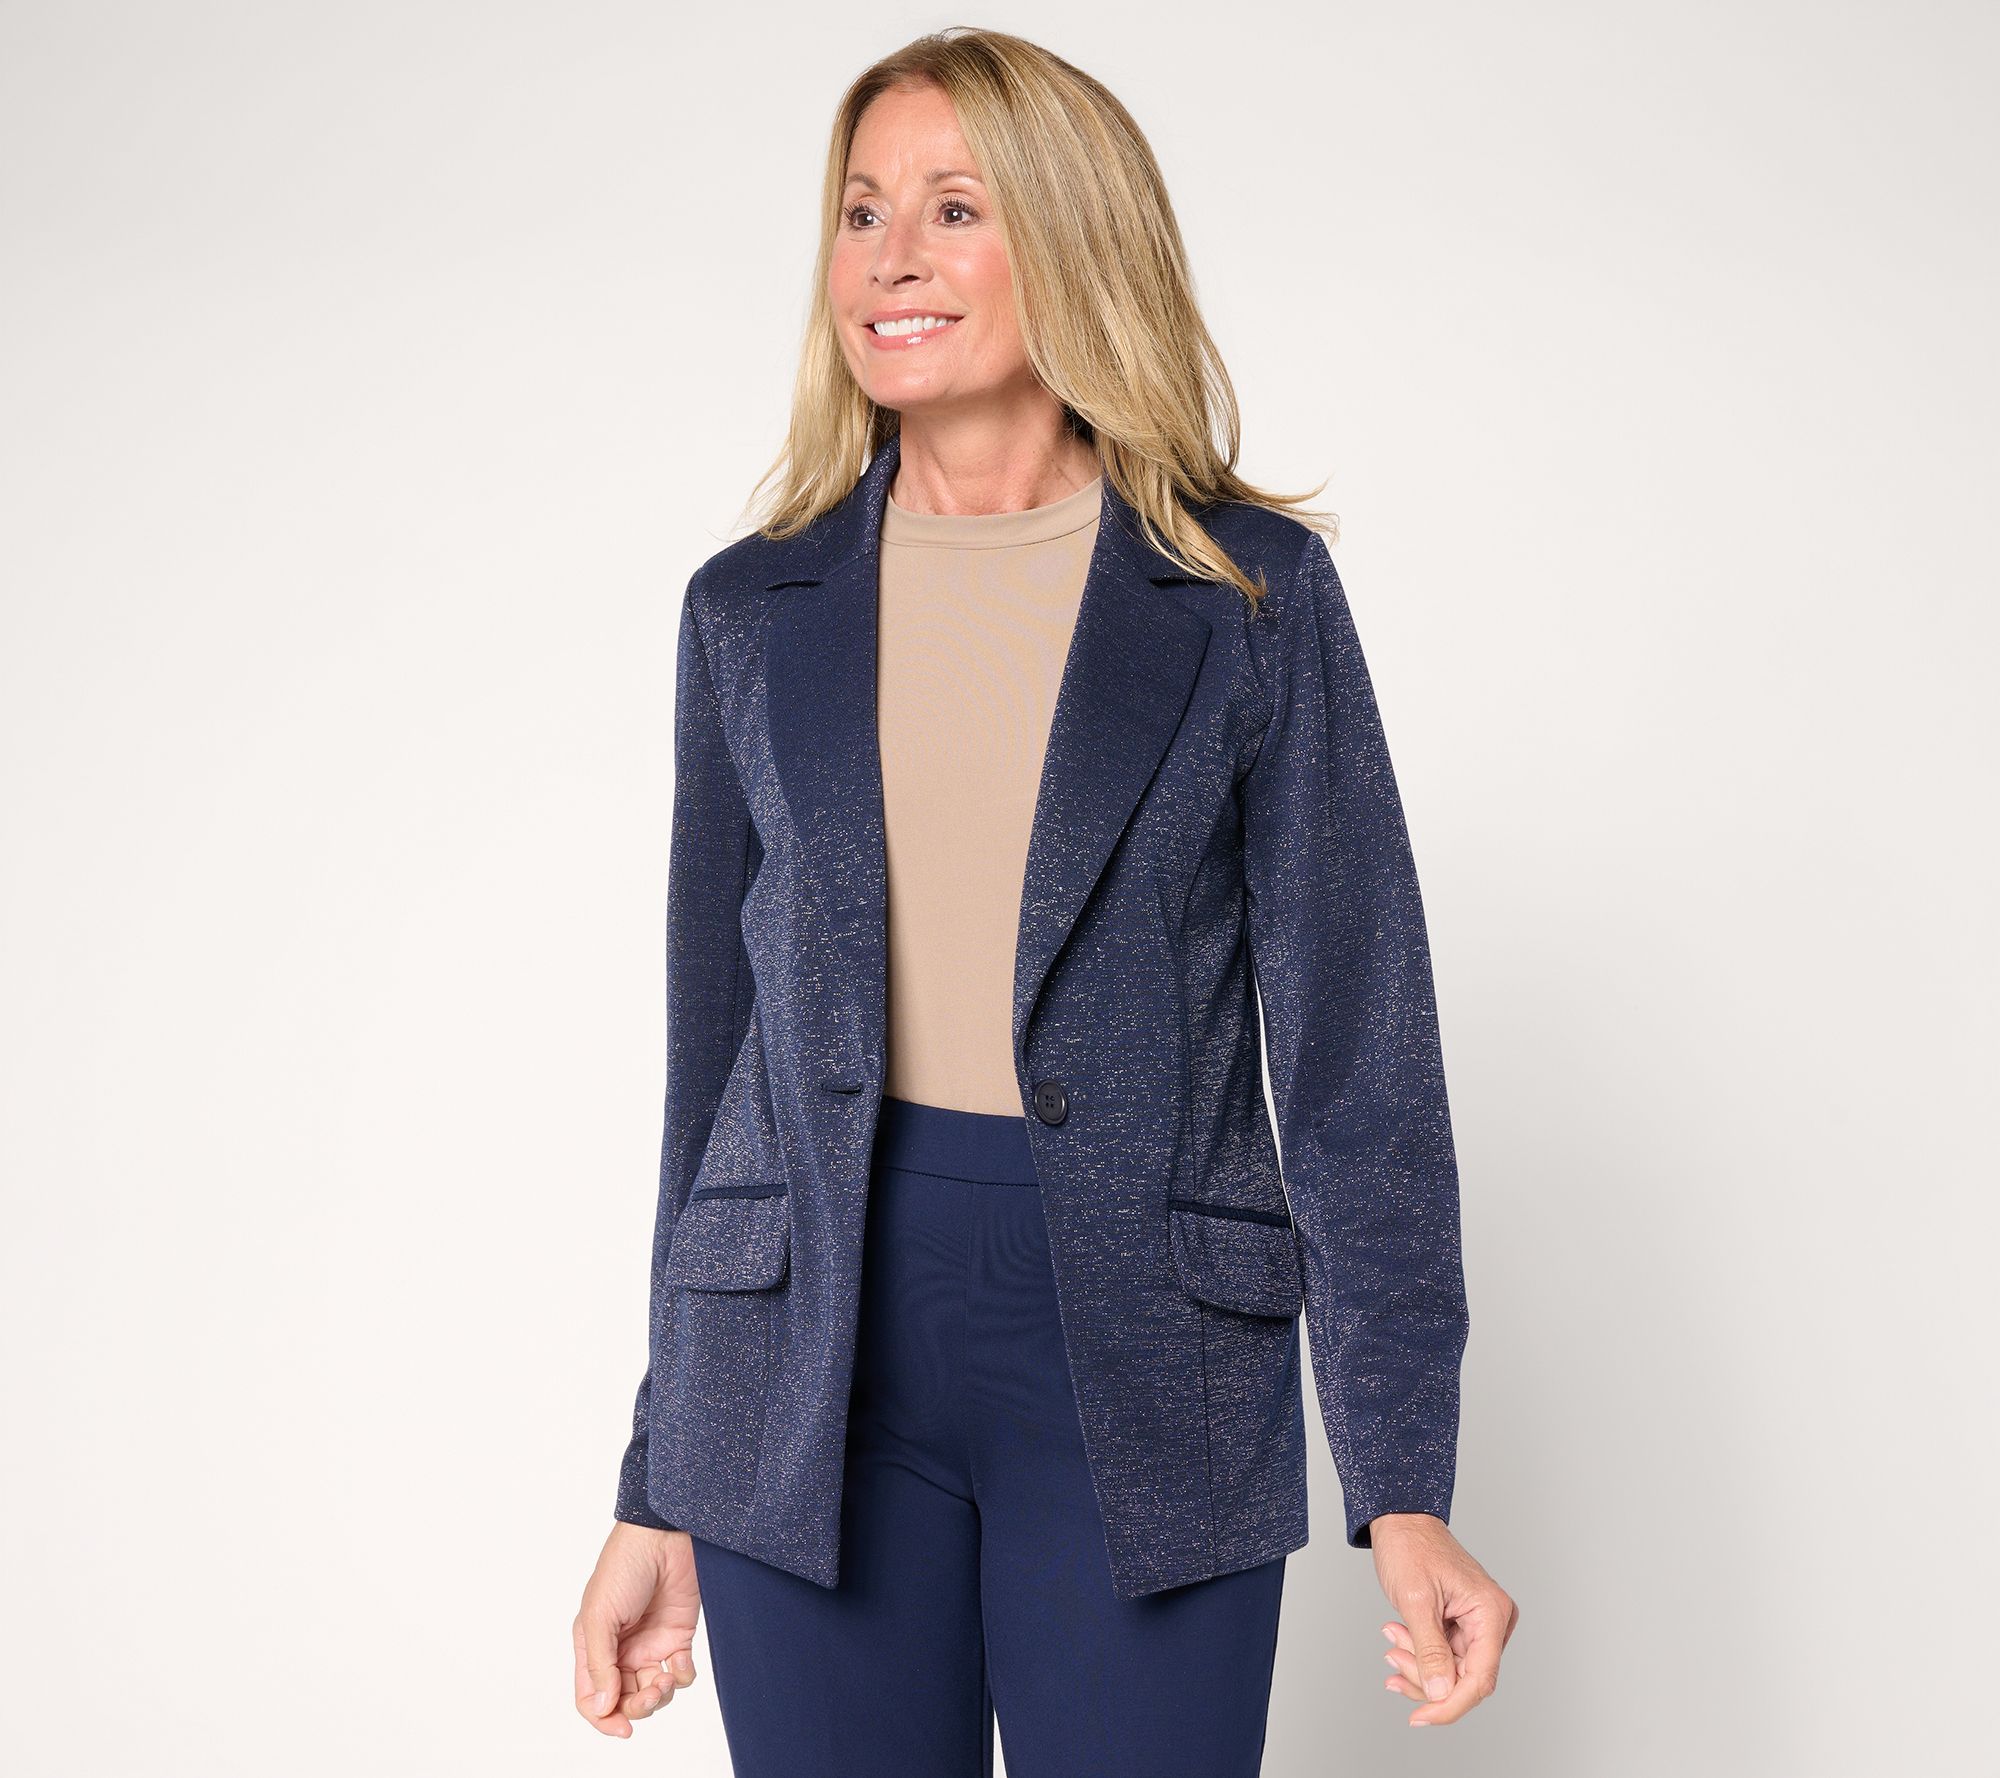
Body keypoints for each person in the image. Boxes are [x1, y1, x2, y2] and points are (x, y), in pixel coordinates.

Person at [572, 26, 1516, 1773]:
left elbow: (1359, 1067)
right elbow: (716, 1082)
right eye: (861, 212)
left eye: (953, 208)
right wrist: (660, 1475)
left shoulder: (1244, 597)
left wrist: (1404, 1485)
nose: (891, 259)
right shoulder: (749, 616)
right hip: (803, 1381)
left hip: (1148, 1375)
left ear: (1072, 238)